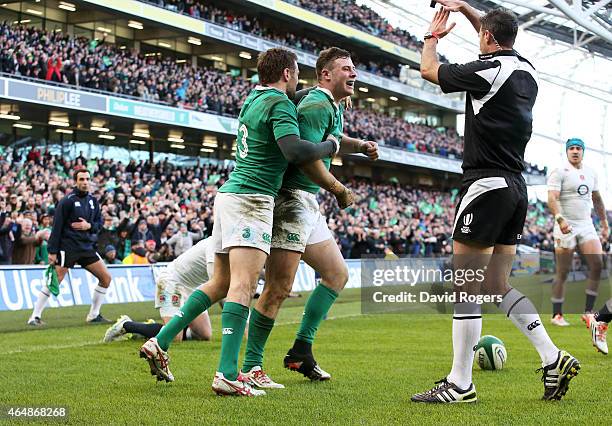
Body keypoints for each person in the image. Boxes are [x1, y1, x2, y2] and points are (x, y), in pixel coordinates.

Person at [138, 47, 354, 396]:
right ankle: (228, 372)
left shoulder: (253, 98)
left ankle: (160, 342)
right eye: (296, 74)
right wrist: (330, 147)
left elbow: (299, 102)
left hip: (229, 194)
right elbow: (295, 152)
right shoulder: (281, 104)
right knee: (243, 285)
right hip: (253, 198)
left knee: (221, 282)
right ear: (287, 74)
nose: (299, 81)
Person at [412, 1, 579, 403]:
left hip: (486, 183)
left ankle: (460, 383)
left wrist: (432, 38)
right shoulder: (526, 71)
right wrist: (469, 9)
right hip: (516, 187)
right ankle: (551, 356)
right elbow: (492, 42)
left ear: (488, 38)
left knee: (466, 286)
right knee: (495, 284)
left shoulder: (489, 69)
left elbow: (429, 71)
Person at [239, 47, 379, 388]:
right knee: (278, 288)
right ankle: (252, 366)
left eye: (354, 67)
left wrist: (359, 144)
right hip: (291, 201)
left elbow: (328, 140)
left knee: (336, 274)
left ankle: (301, 348)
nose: (354, 73)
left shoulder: (325, 103)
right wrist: (337, 187)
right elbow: (304, 156)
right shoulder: (317, 104)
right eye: (347, 68)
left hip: (305, 203)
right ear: (326, 75)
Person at [28, 167, 113, 325]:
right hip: (68, 248)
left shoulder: (93, 201)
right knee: (55, 280)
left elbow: (98, 224)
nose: (85, 182)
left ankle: (94, 315)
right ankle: (34, 316)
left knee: (106, 278)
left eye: (87, 179)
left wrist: (89, 226)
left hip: (86, 248)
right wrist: (52, 251)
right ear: (75, 181)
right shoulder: (67, 201)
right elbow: (57, 227)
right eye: (82, 179)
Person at [104, 237, 215, 347]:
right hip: (173, 281)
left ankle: (150, 330)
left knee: (204, 334)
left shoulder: (225, 246)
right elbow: (217, 282)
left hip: (193, 287)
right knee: (175, 337)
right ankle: (126, 325)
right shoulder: (215, 246)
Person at [547, 138, 608, 326]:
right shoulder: (559, 172)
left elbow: (597, 199)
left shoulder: (591, 173)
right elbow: (552, 198)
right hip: (565, 225)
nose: (575, 151)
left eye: (578, 148)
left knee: (598, 264)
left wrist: (604, 222)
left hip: (585, 224)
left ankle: (588, 313)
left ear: (583, 151)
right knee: (563, 272)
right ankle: (557, 314)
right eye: (571, 148)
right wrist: (560, 219)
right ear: (567, 152)